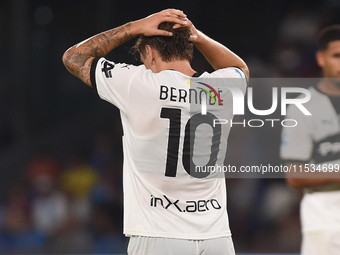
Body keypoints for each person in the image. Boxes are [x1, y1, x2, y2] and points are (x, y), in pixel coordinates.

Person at [63, 9, 248, 255]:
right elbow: (240, 68)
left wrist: (136, 26)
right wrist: (198, 36)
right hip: (215, 237)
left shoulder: (137, 83)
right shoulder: (221, 88)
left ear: (149, 53)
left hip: (158, 236)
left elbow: (74, 57)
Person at [281, 25, 340, 255]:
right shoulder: (302, 108)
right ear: (320, 58)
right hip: (325, 224)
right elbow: (295, 176)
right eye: (337, 55)